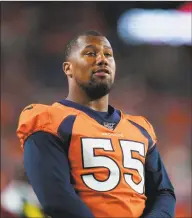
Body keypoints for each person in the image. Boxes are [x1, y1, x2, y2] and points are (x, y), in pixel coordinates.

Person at [17, 30, 176, 218]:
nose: (102, 59)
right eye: (90, 53)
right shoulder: (49, 119)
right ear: (68, 68)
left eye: (108, 54)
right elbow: (57, 199)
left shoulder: (140, 127)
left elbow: (163, 193)